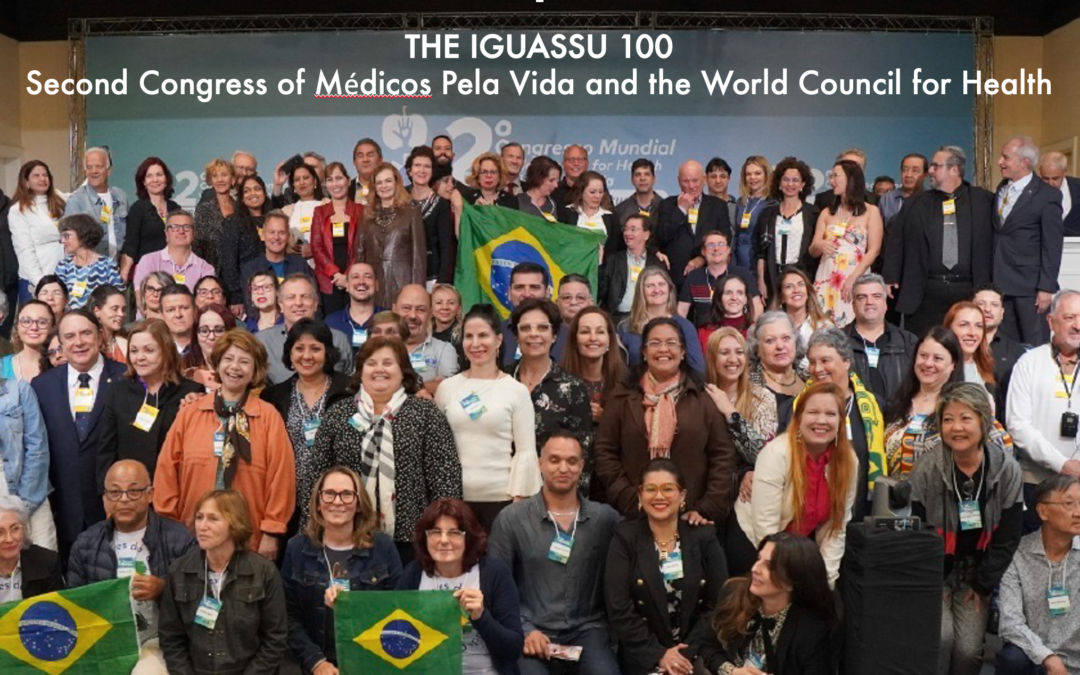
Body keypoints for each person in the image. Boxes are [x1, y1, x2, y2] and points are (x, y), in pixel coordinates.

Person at [305, 336, 463, 562]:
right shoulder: (339, 414)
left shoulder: (426, 415)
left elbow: (445, 479)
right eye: (371, 363)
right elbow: (316, 475)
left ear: (403, 370)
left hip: (412, 540)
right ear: (360, 371)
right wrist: (311, 527)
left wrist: (442, 531)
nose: (379, 369)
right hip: (345, 535)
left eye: (388, 363)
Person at [909, 382, 1023, 675]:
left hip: (977, 573)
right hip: (934, 573)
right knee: (941, 640)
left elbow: (1007, 538)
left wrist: (982, 584)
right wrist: (934, 580)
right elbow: (915, 535)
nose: (956, 427)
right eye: (948, 419)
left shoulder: (1006, 470)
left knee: (969, 651)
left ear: (984, 422)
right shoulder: (927, 469)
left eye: (965, 418)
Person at [154, 330, 296, 559]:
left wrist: (272, 530)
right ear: (218, 364)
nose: (235, 367)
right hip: (191, 534)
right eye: (228, 359)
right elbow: (166, 469)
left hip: (249, 534)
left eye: (244, 361)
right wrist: (170, 525)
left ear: (255, 370)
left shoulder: (269, 417)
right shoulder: (190, 412)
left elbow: (282, 477)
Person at [489, 432, 622, 675]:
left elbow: (643, 538)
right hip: (532, 629)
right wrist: (524, 629)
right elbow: (496, 586)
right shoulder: (512, 519)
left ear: (582, 466)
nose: (563, 468)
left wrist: (688, 520)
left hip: (588, 629)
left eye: (572, 461)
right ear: (540, 463)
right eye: (554, 460)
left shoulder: (605, 519)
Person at [595, 317, 737, 523]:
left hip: (691, 517)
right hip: (634, 514)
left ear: (683, 352)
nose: (663, 349)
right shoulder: (622, 396)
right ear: (643, 352)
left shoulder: (704, 398)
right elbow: (605, 451)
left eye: (671, 343)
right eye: (654, 343)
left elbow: (723, 456)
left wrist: (706, 508)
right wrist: (627, 498)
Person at [68, 460, 197, 675]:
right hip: (104, 643)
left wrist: (163, 591)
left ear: (150, 494)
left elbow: (197, 600)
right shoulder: (86, 543)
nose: (124, 499)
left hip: (159, 643)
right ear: (105, 499)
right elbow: (74, 604)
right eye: (115, 493)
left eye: (134, 491)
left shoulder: (180, 539)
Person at [605, 458, 727, 675]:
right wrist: (659, 654)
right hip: (643, 655)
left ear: (682, 496)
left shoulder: (704, 536)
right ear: (640, 495)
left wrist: (683, 656)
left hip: (695, 654)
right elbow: (618, 607)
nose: (659, 496)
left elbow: (718, 604)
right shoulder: (625, 538)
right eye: (650, 489)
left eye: (668, 489)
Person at [729, 382, 858, 586]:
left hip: (796, 548)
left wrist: (826, 582)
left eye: (831, 414)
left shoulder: (848, 461)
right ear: (799, 418)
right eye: (813, 412)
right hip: (754, 544)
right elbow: (766, 529)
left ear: (841, 421)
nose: (822, 420)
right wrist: (781, 579)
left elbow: (836, 529)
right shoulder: (776, 454)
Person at [282, 466, 402, 673]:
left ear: (358, 503)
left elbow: (399, 609)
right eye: (329, 494)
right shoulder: (297, 548)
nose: (337, 502)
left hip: (372, 660)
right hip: (316, 663)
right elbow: (287, 616)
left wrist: (354, 605)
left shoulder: (382, 547)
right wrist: (315, 662)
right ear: (318, 503)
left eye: (347, 494)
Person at [158, 489, 288, 675]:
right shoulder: (179, 570)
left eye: (213, 519)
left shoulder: (264, 572)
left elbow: (275, 639)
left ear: (235, 524)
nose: (202, 526)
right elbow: (171, 637)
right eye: (199, 517)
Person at [435, 304, 540, 530]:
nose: (475, 343)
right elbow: (436, 449)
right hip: (454, 501)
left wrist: (518, 505)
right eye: (469, 336)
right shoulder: (447, 388)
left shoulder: (516, 390)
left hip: (501, 502)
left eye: (483, 335)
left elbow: (525, 452)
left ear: (498, 341)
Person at [31, 310, 126, 557]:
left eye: (86, 333)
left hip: (117, 508)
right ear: (60, 344)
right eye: (70, 336)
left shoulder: (127, 378)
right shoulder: (42, 386)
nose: (79, 342)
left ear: (100, 336)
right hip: (64, 511)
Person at [397, 497, 525, 674]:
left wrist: (481, 617)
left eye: (454, 533)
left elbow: (513, 648)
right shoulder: (413, 573)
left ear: (469, 538)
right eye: (435, 532)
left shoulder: (493, 573)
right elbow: (395, 636)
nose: (443, 540)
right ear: (424, 537)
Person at [884, 145, 995, 337]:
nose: (930, 171)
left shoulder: (984, 201)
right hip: (925, 292)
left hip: (968, 290)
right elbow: (897, 241)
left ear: (954, 169)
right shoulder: (914, 204)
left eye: (936, 166)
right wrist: (890, 275)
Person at [259, 319, 355, 540]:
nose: (307, 356)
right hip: (289, 502)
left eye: (315, 349)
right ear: (290, 354)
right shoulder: (274, 396)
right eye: (299, 348)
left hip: (338, 500)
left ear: (327, 352)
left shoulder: (350, 389)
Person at [702, 533, 835, 675]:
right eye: (758, 559)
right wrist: (731, 671)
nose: (755, 569)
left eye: (769, 566)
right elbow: (707, 647)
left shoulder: (812, 629)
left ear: (792, 581)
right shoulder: (735, 594)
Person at [1006, 290, 1080, 532]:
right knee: (1036, 557)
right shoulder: (1029, 363)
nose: (1077, 326)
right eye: (1070, 317)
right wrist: (1063, 464)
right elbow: (1018, 426)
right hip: (1037, 484)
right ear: (1051, 321)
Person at [97, 319, 204, 483]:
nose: (139, 357)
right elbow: (107, 449)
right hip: (130, 492)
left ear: (166, 351)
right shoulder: (118, 391)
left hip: (172, 488)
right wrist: (108, 493)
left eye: (149, 350)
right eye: (133, 351)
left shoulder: (191, 392)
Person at [996, 475, 1080, 675]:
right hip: (1035, 658)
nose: (1078, 512)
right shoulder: (1017, 554)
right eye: (1069, 504)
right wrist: (1047, 657)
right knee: (1012, 659)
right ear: (1043, 511)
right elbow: (1010, 622)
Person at [805, 327, 886, 523]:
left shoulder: (875, 406)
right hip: (809, 519)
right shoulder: (797, 408)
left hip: (862, 518)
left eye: (825, 361)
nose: (817, 369)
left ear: (847, 361)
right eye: (812, 362)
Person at [508, 298, 594, 480]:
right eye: (525, 328)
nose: (533, 334)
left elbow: (583, 455)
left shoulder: (573, 388)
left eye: (542, 327)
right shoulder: (501, 380)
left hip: (553, 493)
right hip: (500, 490)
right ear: (516, 335)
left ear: (554, 335)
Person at [994, 135, 1064, 346]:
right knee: (1003, 345)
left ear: (1024, 162)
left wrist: (1046, 287)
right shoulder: (1002, 188)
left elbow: (1052, 245)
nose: (1000, 162)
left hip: (1030, 288)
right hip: (1000, 283)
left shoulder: (1047, 195)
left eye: (1006, 157)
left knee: (1032, 345)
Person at [703, 327, 779, 510]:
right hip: (706, 492)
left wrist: (731, 413)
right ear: (712, 358)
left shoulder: (762, 397)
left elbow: (763, 455)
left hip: (745, 498)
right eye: (724, 352)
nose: (733, 359)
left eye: (739, 352)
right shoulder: (700, 395)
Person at [883, 327, 965, 477]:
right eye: (923, 355)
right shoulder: (898, 402)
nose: (928, 363)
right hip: (893, 496)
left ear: (953, 364)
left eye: (937, 358)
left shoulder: (964, 406)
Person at [810, 159, 883, 327]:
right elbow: (813, 249)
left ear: (850, 179)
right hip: (826, 278)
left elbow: (874, 250)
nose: (831, 181)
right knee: (822, 328)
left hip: (855, 278)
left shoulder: (871, 211)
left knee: (853, 327)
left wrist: (852, 279)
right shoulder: (827, 212)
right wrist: (820, 245)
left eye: (836, 175)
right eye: (831, 176)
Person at [0, 337, 54, 550]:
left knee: (44, 567)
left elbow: (38, 449)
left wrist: (23, 506)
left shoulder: (20, 390)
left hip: (29, 492)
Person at [258, 274, 353, 384]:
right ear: (281, 305)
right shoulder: (262, 341)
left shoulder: (338, 339)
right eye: (291, 297)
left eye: (305, 297)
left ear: (316, 304)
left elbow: (349, 383)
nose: (298, 303)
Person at [655, 159, 733, 290]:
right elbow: (661, 237)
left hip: (709, 275)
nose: (691, 186)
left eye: (695, 180)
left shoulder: (718, 206)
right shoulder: (667, 205)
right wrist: (681, 209)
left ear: (704, 179)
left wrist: (702, 258)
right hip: (675, 279)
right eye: (686, 181)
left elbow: (726, 238)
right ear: (679, 181)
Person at [357, 162, 426, 309]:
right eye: (379, 182)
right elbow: (360, 253)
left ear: (396, 183)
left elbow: (418, 257)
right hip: (373, 285)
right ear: (374, 187)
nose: (384, 186)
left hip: (403, 282)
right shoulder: (366, 215)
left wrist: (417, 291)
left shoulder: (412, 212)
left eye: (388, 181)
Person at [844, 272, 918, 402]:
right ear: (853, 304)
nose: (869, 302)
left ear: (885, 303)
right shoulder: (838, 342)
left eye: (876, 296)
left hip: (898, 417)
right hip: (851, 418)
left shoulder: (908, 342)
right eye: (862, 297)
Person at [754, 157, 819, 303]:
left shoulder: (813, 214)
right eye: (786, 179)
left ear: (803, 184)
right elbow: (761, 253)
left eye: (795, 180)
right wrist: (761, 282)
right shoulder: (767, 213)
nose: (790, 184)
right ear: (779, 183)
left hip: (802, 278)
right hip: (772, 278)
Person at [617, 266, 705, 372]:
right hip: (635, 385)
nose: (657, 290)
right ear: (641, 291)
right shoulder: (626, 326)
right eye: (650, 286)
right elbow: (618, 368)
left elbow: (697, 369)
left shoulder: (685, 327)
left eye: (661, 284)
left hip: (676, 386)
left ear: (669, 289)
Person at [678, 229, 761, 328]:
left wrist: (753, 334)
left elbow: (757, 307)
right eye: (710, 245)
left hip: (739, 335)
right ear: (703, 252)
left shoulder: (743, 274)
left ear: (728, 250)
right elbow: (681, 312)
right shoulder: (694, 277)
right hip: (704, 336)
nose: (716, 248)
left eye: (721, 244)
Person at [8, 160, 66, 302]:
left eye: (45, 175)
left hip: (62, 274)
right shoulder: (18, 210)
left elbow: (80, 194)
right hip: (36, 277)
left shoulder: (59, 199)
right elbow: (24, 250)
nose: (42, 179)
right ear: (26, 181)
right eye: (36, 175)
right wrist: (41, 283)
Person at [312, 162, 364, 314]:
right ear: (325, 184)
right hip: (328, 281)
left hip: (355, 279)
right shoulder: (319, 212)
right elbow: (316, 247)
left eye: (339, 178)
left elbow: (362, 247)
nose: (335, 184)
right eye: (330, 179)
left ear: (348, 181)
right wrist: (336, 274)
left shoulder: (361, 211)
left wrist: (348, 276)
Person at [561, 306, 627, 424]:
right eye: (585, 332)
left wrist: (604, 418)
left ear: (610, 340)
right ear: (575, 340)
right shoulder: (558, 379)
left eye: (600, 332)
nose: (593, 338)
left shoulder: (625, 381)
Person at [63, 146, 128, 264]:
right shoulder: (76, 201)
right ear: (85, 171)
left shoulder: (121, 196)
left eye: (98, 166)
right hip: (89, 270)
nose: (94, 171)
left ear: (108, 171)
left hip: (117, 268)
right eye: (89, 167)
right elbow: (69, 242)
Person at [973, 282, 1028, 421]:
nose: (987, 309)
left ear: (1002, 313)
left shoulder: (1018, 353)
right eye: (981, 304)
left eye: (994, 305)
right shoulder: (956, 348)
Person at [499, 262, 571, 366]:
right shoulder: (495, 332)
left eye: (534, 287)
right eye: (519, 287)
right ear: (509, 293)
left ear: (547, 292)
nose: (527, 294)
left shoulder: (569, 335)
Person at [131, 208, 210, 301]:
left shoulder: (205, 268)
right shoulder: (148, 261)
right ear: (166, 233)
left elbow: (206, 303)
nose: (181, 231)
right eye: (175, 227)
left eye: (187, 227)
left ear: (194, 233)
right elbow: (141, 299)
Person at [238, 210, 312, 307]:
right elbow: (250, 307)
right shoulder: (250, 269)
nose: (276, 237)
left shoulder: (300, 265)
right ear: (263, 235)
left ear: (288, 237)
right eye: (272, 232)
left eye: (281, 233)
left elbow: (313, 301)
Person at [394, 284, 459, 394]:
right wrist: (427, 385)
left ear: (430, 313)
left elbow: (449, 388)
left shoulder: (444, 349)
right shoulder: (378, 347)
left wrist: (394, 387)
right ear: (394, 310)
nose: (413, 315)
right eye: (406, 308)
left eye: (420, 310)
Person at [599, 213, 664, 321]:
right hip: (617, 319)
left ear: (646, 235)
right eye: (625, 229)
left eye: (633, 229)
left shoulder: (657, 263)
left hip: (648, 319)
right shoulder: (613, 260)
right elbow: (601, 291)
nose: (628, 233)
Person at [219, 174, 269, 313]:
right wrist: (236, 297)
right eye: (247, 191)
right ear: (241, 197)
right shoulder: (234, 222)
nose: (253, 193)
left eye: (257, 189)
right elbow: (229, 262)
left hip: (274, 286)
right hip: (246, 290)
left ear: (264, 193)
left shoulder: (273, 219)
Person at [55, 213, 125, 310]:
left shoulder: (107, 265)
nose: (62, 241)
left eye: (66, 236)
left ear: (82, 234)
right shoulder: (63, 266)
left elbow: (118, 299)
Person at [122, 157, 180, 273]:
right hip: (146, 272)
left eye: (159, 175)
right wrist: (124, 274)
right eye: (149, 176)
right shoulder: (137, 209)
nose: (155, 180)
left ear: (166, 179)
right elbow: (130, 246)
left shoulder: (175, 208)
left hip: (173, 272)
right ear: (143, 182)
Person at [0, 496, 63, 600]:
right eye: (0, 532)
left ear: (23, 529)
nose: (9, 539)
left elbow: (55, 611)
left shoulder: (47, 562)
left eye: (15, 529)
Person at [407, 154, 454, 287]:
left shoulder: (441, 204)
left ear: (432, 171)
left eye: (427, 166)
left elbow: (446, 246)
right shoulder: (401, 199)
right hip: (404, 273)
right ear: (409, 171)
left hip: (432, 275)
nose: (422, 170)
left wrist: (443, 280)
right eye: (417, 165)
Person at [750, 311, 807, 407]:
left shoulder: (809, 377)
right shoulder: (750, 386)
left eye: (786, 338)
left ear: (795, 342)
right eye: (770, 340)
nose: (780, 346)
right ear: (757, 348)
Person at [324, 261, 383, 353]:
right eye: (355, 277)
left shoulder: (389, 320)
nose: (361, 281)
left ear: (377, 285)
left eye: (368, 277)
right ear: (346, 285)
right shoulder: (331, 322)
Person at [732, 155, 777, 273]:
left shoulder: (772, 203)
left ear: (766, 175)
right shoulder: (741, 202)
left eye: (757, 173)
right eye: (748, 174)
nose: (752, 177)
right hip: (738, 263)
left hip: (760, 264)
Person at [562, 170, 618, 263]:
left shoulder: (610, 217)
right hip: (573, 268)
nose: (597, 196)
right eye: (592, 192)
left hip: (601, 272)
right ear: (581, 192)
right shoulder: (567, 213)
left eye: (601, 192)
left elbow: (614, 249)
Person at [944, 301, 998, 398]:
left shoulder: (988, 368)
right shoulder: (937, 369)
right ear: (949, 329)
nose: (972, 333)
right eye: (964, 325)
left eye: (979, 326)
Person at [192, 158, 237, 270]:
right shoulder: (204, 209)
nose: (220, 180)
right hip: (211, 271)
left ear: (233, 179)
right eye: (215, 176)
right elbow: (197, 245)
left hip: (237, 272)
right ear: (211, 181)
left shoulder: (240, 208)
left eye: (224, 175)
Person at [772, 266, 831, 348]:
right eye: (789, 286)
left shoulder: (824, 327)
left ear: (808, 292)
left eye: (800, 284)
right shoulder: (772, 328)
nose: (796, 290)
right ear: (781, 297)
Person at [184, 303, 237, 390]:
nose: (211, 337)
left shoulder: (241, 367)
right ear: (196, 334)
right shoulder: (184, 366)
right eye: (204, 331)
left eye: (219, 330)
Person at [0, 299, 54, 382]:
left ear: (52, 327)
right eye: (26, 321)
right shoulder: (2, 366)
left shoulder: (58, 364)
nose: (34, 327)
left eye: (42, 322)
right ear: (17, 326)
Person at [812, 148, 878, 211]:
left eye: (856, 166)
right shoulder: (823, 199)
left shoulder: (875, 201)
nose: (851, 169)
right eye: (846, 165)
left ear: (863, 171)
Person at [698, 274, 755, 343]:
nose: (734, 298)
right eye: (728, 293)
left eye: (740, 293)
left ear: (746, 299)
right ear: (719, 298)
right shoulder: (704, 332)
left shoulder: (756, 331)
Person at [877, 153, 928, 225]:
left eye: (915, 171)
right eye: (905, 170)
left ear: (925, 175)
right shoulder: (887, 199)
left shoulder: (931, 200)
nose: (908, 175)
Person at [1038, 150, 1080, 237]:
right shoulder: (1032, 192)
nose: (1050, 183)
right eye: (1045, 178)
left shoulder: (1078, 187)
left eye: (1055, 178)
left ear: (1064, 171)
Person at [516, 155, 569, 223]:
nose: (556, 185)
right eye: (551, 180)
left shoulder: (555, 205)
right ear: (538, 178)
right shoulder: (516, 202)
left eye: (557, 181)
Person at [614, 158, 662, 228]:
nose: (642, 178)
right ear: (632, 180)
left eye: (647, 174)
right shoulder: (620, 210)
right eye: (637, 175)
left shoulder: (665, 208)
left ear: (654, 179)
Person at [89, 284, 129, 362]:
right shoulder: (88, 343)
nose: (121, 314)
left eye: (123, 309)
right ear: (97, 311)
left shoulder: (127, 341)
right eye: (115, 309)